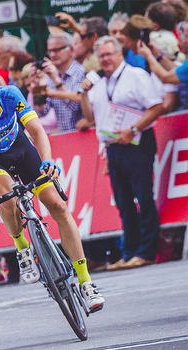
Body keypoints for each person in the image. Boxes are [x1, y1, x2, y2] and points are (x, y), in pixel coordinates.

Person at [0, 63, 104, 312]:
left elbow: (36, 130)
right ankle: (22, 247)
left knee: (58, 206)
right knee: (6, 198)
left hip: (21, 149)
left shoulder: (10, 95)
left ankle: (86, 282)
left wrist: (47, 160)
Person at [79, 36, 164, 270]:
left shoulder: (135, 75)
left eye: (109, 54)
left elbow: (157, 105)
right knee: (124, 202)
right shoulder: (98, 82)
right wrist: (84, 93)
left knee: (143, 197)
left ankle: (146, 251)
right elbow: (90, 117)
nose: (105, 59)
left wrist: (134, 128)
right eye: (101, 56)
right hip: (113, 146)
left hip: (137, 141)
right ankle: (129, 253)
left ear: (119, 54)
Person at [33, 32, 86, 132]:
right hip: (64, 137)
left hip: (83, 136)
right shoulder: (51, 75)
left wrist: (57, 81)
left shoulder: (80, 72)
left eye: (56, 50)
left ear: (70, 49)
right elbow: (42, 112)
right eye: (49, 51)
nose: (52, 55)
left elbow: (75, 106)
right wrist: (37, 87)